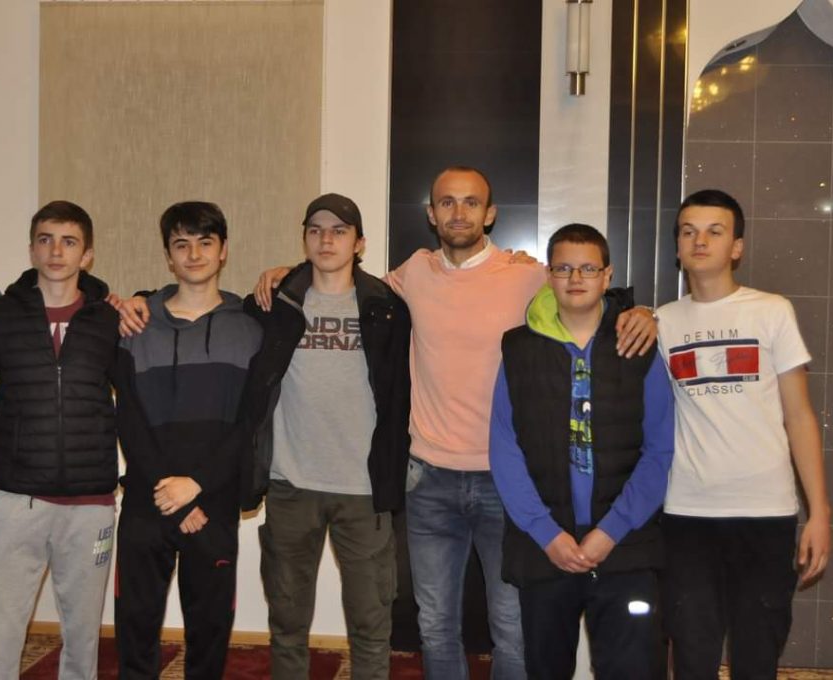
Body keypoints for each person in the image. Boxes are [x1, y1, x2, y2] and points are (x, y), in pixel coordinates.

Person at [252, 166, 657, 678]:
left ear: (490, 214)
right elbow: (340, 275)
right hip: (428, 481)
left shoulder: (527, 275)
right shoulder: (412, 274)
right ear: (431, 214)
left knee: (510, 626)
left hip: (504, 482)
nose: (458, 212)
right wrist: (287, 273)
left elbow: (586, 291)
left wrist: (639, 312)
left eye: (470, 202)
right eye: (447, 202)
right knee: (435, 625)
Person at [656, 189, 830, 679]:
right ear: (677, 246)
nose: (700, 241)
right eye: (688, 231)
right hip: (687, 514)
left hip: (765, 513)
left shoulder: (771, 311)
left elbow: (799, 416)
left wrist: (819, 512)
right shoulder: (663, 322)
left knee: (757, 658)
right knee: (692, 657)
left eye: (715, 231)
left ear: (736, 247)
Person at [489, 223, 674, 679]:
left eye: (588, 268)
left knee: (634, 670)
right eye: (564, 268)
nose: (576, 278)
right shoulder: (519, 349)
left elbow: (660, 451)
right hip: (545, 550)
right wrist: (546, 533)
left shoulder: (638, 346)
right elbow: (504, 447)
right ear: (549, 275)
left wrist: (610, 531)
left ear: (607, 275)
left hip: (626, 549)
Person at [242, 194, 411, 679]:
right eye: (315, 230)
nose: (326, 239)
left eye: (339, 231)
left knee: (371, 625)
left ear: (359, 243)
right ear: (304, 240)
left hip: (364, 490)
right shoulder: (277, 303)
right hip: (291, 485)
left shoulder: (386, 308)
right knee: (287, 623)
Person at [113, 201, 262, 680]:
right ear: (168, 256)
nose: (194, 254)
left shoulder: (251, 328)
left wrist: (197, 486)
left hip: (213, 502)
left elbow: (251, 423)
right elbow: (128, 418)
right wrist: (171, 491)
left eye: (205, 242)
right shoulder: (134, 325)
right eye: (181, 244)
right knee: (135, 628)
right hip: (148, 499)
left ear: (223, 251)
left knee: (209, 632)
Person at [0, 201, 119, 680]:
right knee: (0, 636)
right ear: (32, 249)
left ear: (87, 255)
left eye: (69, 241)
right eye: (46, 239)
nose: (56, 251)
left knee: (82, 638)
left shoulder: (110, 319)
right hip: (19, 501)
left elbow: (138, 397)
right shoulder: (0, 315)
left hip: (90, 505)